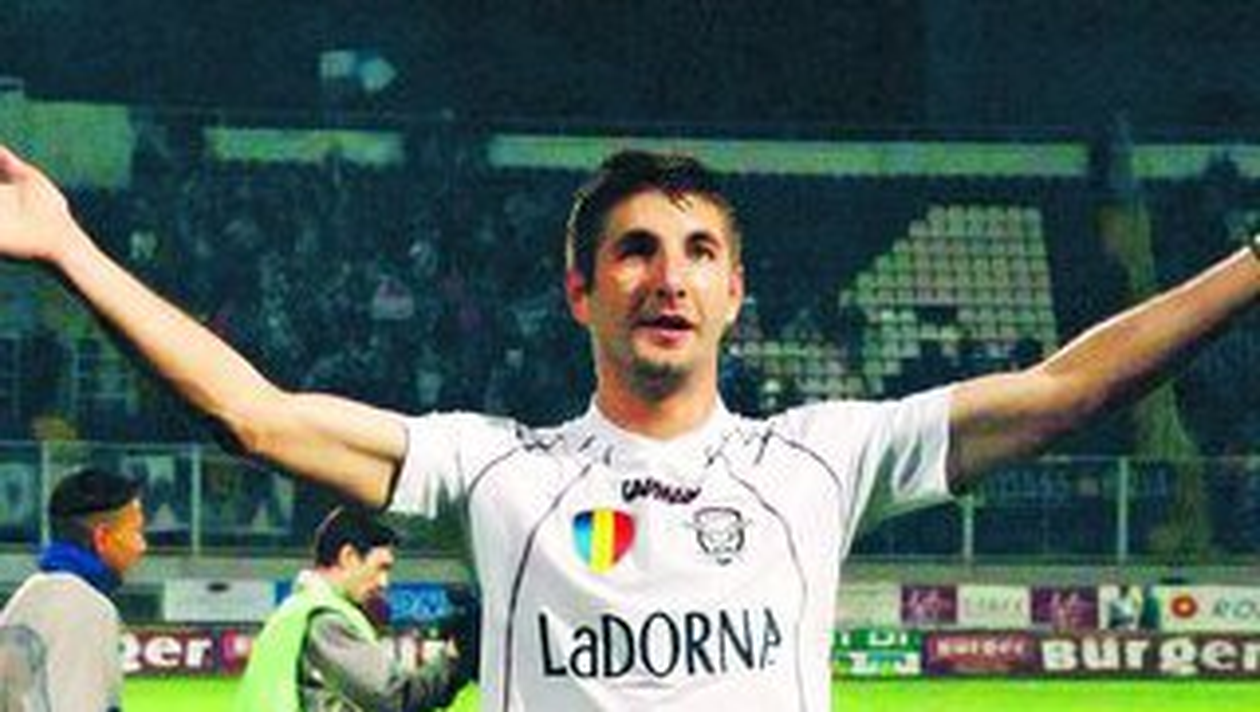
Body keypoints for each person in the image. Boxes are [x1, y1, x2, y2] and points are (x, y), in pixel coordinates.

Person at [1, 145, 1259, 709]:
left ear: (735, 292)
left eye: (699, 251)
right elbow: (254, 414)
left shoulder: (821, 458)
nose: (669, 276)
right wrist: (68, 249)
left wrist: (1253, 261)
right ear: (581, 289)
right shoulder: (498, 469)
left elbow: (1066, 390)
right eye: (636, 250)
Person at [236, 505, 460, 711]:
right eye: (381, 568)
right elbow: (394, 698)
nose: (384, 583)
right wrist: (454, 657)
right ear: (349, 557)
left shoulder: (296, 610)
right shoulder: (325, 620)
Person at [0, 468, 147, 712]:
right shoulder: (85, 609)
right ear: (102, 537)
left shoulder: (26, 597)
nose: (141, 546)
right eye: (136, 531)